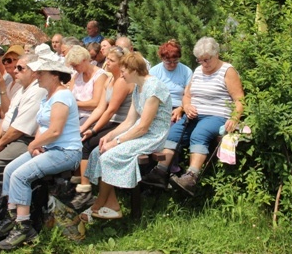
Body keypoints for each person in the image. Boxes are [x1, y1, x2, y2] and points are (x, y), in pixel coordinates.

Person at [0, 55, 81, 250]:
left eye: (41, 72)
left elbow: (55, 130)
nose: (37, 75)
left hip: (66, 151)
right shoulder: (47, 95)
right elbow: (42, 126)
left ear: (55, 75)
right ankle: (11, 215)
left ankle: (23, 226)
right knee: (9, 170)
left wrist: (33, 145)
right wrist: (38, 144)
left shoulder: (62, 96)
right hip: (49, 147)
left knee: (20, 175)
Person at [142, 37, 244, 195]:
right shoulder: (198, 71)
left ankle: (191, 176)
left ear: (216, 54)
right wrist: (187, 106)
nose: (204, 64)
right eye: (200, 60)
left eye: (207, 59)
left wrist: (234, 118)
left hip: (216, 114)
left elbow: (239, 99)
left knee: (199, 134)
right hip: (194, 114)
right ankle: (161, 172)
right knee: (172, 134)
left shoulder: (227, 71)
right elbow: (187, 95)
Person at [82, 51, 171, 221]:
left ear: (134, 70)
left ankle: (98, 205)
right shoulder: (138, 88)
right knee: (97, 151)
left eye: (123, 71)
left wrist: (117, 142)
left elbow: (143, 127)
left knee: (108, 156)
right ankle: (113, 206)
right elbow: (129, 121)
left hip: (153, 136)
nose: (121, 75)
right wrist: (110, 136)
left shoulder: (154, 87)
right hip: (140, 132)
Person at [0, 53, 47, 231]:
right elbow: (7, 118)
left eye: (20, 68)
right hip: (11, 135)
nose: (15, 70)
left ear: (34, 72)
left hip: (26, 139)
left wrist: (0, 142)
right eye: (15, 66)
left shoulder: (37, 91)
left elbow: (21, 127)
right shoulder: (22, 89)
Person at [69, 45, 134, 211]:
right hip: (111, 121)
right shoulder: (111, 79)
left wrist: (94, 130)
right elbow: (100, 107)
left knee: (90, 143)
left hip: (122, 123)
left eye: (111, 61)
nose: (107, 63)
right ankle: (88, 188)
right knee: (85, 139)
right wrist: (85, 127)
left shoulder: (122, 81)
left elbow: (111, 110)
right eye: (107, 59)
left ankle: (86, 190)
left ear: (121, 64)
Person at [149, 39, 193, 122]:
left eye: (176, 61)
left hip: (179, 108)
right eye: (168, 62)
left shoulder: (187, 71)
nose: (172, 64)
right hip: (158, 108)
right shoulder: (153, 72)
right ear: (162, 58)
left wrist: (181, 108)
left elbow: (188, 95)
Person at [65, 45, 107, 124]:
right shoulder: (76, 75)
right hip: (74, 115)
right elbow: (69, 96)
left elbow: (95, 103)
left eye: (75, 65)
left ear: (84, 60)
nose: (74, 68)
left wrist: (73, 103)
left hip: (89, 117)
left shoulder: (100, 76)